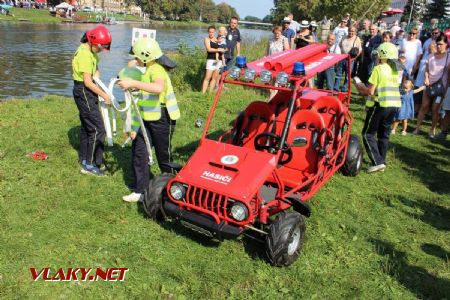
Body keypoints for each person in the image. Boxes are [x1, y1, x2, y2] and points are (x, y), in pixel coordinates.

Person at [118, 38, 180, 203]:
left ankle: (175, 187)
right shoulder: (147, 70)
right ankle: (141, 190)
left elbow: (158, 88)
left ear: (146, 57)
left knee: (163, 155)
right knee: (139, 152)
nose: (135, 59)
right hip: (146, 119)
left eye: (137, 56)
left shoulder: (157, 70)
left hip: (162, 119)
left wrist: (132, 82)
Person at [355, 42, 402, 173]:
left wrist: (359, 86)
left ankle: (377, 162)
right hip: (394, 105)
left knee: (367, 134)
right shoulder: (394, 69)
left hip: (380, 104)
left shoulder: (378, 69)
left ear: (382, 55)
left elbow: (370, 91)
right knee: (384, 135)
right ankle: (382, 161)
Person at [72, 25, 112, 176]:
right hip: (84, 91)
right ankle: (89, 165)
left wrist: (98, 78)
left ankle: (84, 158)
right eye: (101, 47)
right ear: (93, 41)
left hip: (87, 90)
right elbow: (88, 82)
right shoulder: (84, 55)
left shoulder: (91, 51)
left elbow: (95, 69)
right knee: (97, 129)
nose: (102, 50)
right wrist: (104, 94)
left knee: (87, 127)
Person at [414, 34, 449, 137]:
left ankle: (432, 130)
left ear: (446, 45)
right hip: (429, 85)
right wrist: (426, 78)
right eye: (437, 44)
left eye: (441, 44)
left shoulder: (448, 57)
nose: (439, 46)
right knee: (424, 107)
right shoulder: (431, 56)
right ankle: (417, 128)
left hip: (441, 87)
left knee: (435, 109)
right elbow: (427, 70)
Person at [335, 26, 361, 92]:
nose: (351, 32)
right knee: (338, 74)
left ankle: (344, 89)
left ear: (355, 32)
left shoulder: (357, 39)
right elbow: (340, 45)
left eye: (352, 31)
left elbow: (360, 50)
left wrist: (354, 58)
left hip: (350, 60)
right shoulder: (344, 37)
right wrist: (341, 53)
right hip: (342, 58)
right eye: (350, 31)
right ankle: (336, 88)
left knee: (347, 76)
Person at [201, 26, 225, 94]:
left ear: (215, 32)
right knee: (207, 78)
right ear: (208, 32)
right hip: (211, 60)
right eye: (210, 32)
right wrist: (218, 49)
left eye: (212, 32)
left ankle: (210, 93)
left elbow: (222, 44)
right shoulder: (207, 39)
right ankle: (203, 94)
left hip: (218, 60)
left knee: (214, 78)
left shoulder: (216, 39)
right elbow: (209, 49)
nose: (211, 33)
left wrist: (223, 50)